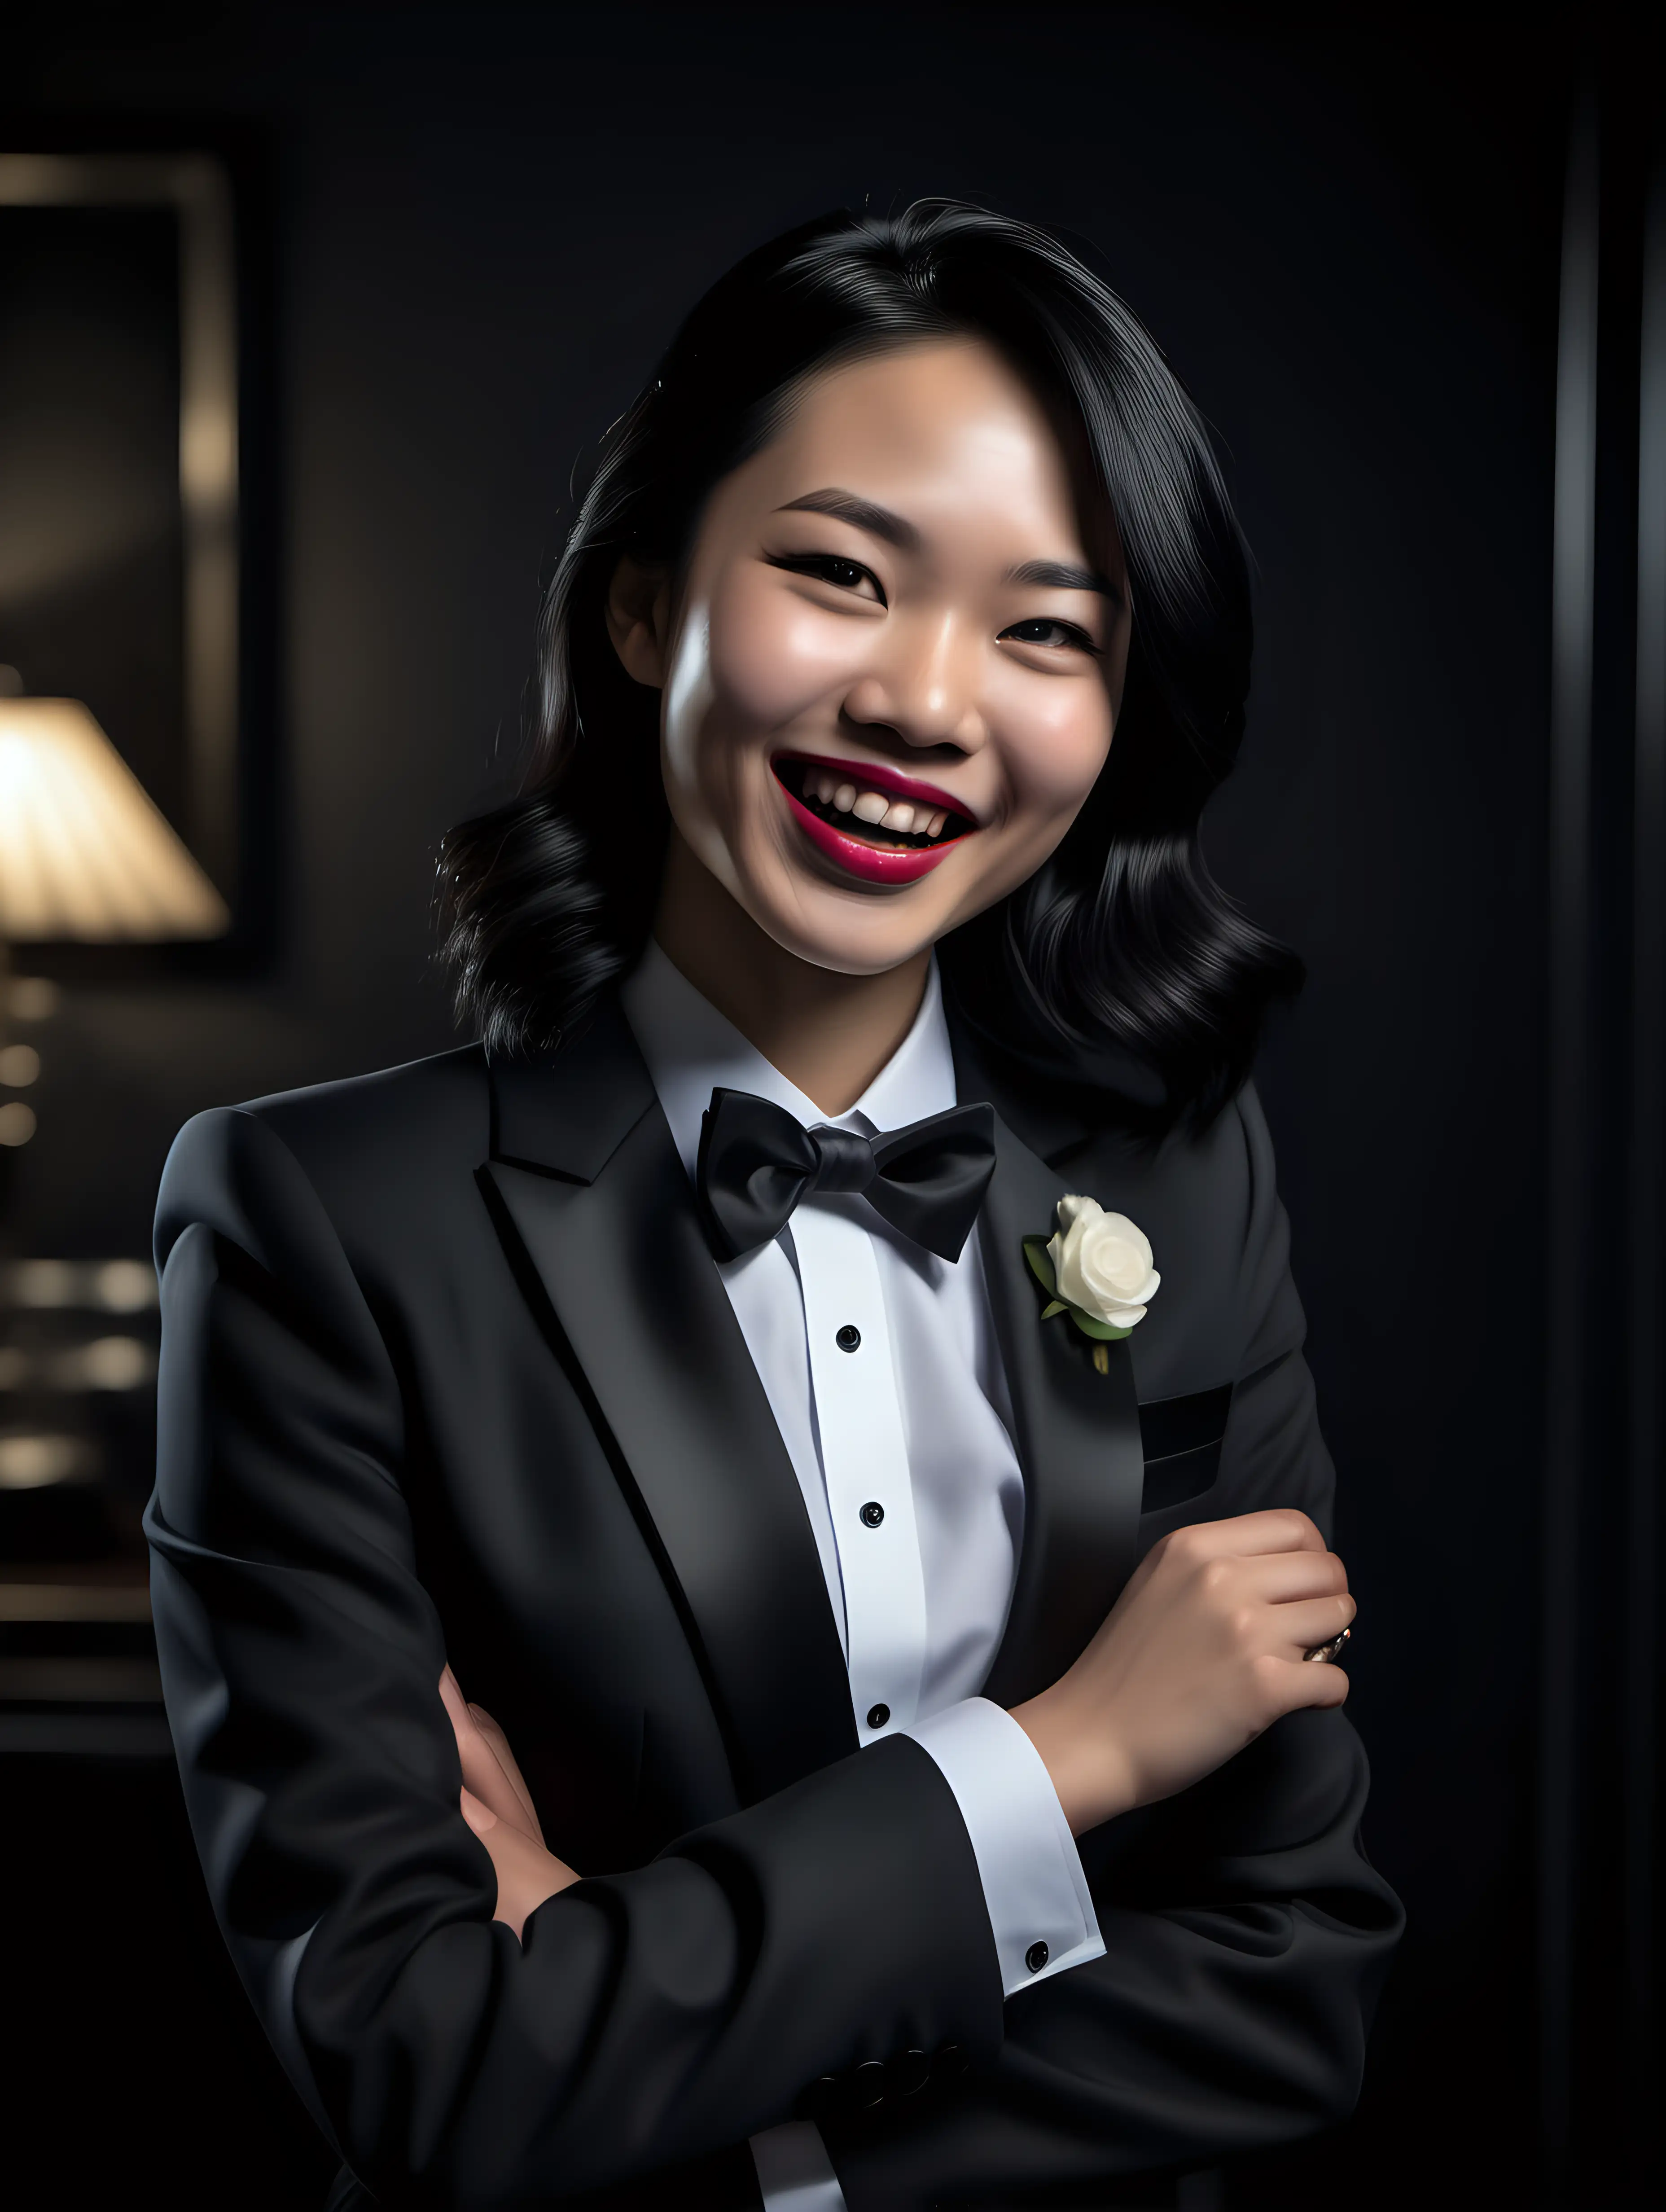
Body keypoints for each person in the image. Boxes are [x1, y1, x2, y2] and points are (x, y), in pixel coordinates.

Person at [147, 201, 1403, 2212]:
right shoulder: (314, 1225)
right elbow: (421, 2058)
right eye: (838, 573)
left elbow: (1288, 1980)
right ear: (643, 606)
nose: (926, 699)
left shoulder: (1177, 1171)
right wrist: (1061, 1759)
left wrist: (712, 2103)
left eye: (1045, 628)